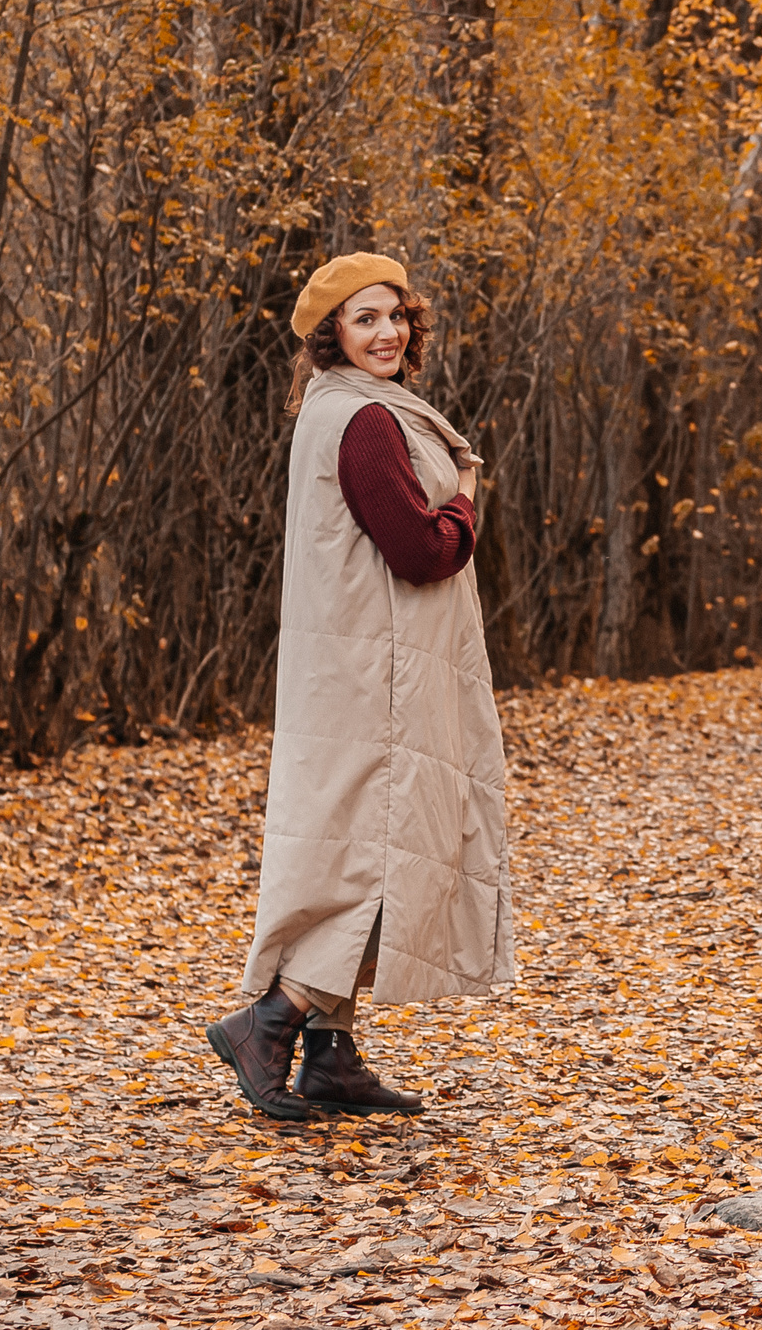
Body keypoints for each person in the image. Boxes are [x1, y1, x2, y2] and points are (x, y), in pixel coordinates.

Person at [205, 252, 516, 1120]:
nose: (386, 332)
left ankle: (331, 1056)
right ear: (330, 335)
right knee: (379, 849)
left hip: (348, 670)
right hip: (375, 678)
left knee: (354, 845)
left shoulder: (333, 409)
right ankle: (272, 1019)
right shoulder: (365, 422)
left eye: (395, 316)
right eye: (363, 319)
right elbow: (419, 552)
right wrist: (462, 501)